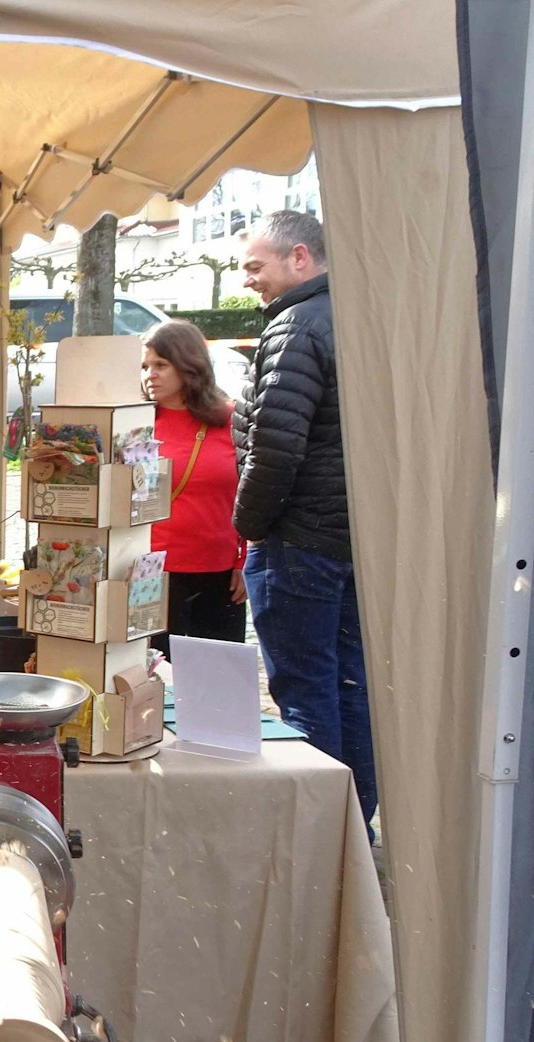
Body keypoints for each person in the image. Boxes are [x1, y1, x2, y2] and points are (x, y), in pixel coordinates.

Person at [233, 209, 375, 824]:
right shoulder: (355, 318)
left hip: (301, 541)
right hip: (349, 539)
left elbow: (277, 446)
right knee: (350, 688)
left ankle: (319, 835)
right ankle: (353, 820)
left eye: (254, 267)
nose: (247, 281)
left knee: (307, 691)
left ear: (299, 258)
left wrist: (249, 525)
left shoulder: (296, 325)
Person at [139, 319, 245, 650]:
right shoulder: (134, 423)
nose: (149, 374)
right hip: (152, 571)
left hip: (219, 571)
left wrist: (244, 561)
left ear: (188, 365)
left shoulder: (232, 420)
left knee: (216, 678)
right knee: (154, 676)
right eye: (144, 366)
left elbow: (250, 492)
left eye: (161, 364)